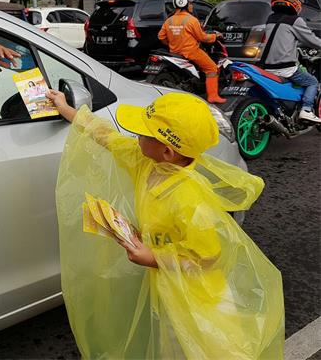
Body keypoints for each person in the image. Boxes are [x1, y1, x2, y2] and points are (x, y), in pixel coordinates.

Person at [47, 89, 284, 359]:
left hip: (200, 303)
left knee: (199, 352)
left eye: (143, 133)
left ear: (167, 151)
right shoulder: (146, 163)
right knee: (172, 347)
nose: (135, 137)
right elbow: (107, 137)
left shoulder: (189, 201)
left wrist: (154, 258)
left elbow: (207, 259)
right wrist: (66, 109)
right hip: (169, 290)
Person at [259, 0, 321, 124]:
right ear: (296, 1)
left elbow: (283, 38)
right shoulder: (295, 20)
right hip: (286, 69)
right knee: (313, 82)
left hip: (267, 68)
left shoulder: (270, 19)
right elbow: (312, 40)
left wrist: (296, 44)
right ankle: (306, 109)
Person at [158, 0, 226, 104]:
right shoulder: (192, 20)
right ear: (184, 4)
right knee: (212, 68)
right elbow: (202, 37)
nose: (192, 6)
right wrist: (215, 36)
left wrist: (171, 44)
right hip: (191, 52)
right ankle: (213, 96)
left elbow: (161, 37)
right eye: (190, 4)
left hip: (174, 52)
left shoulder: (168, 20)